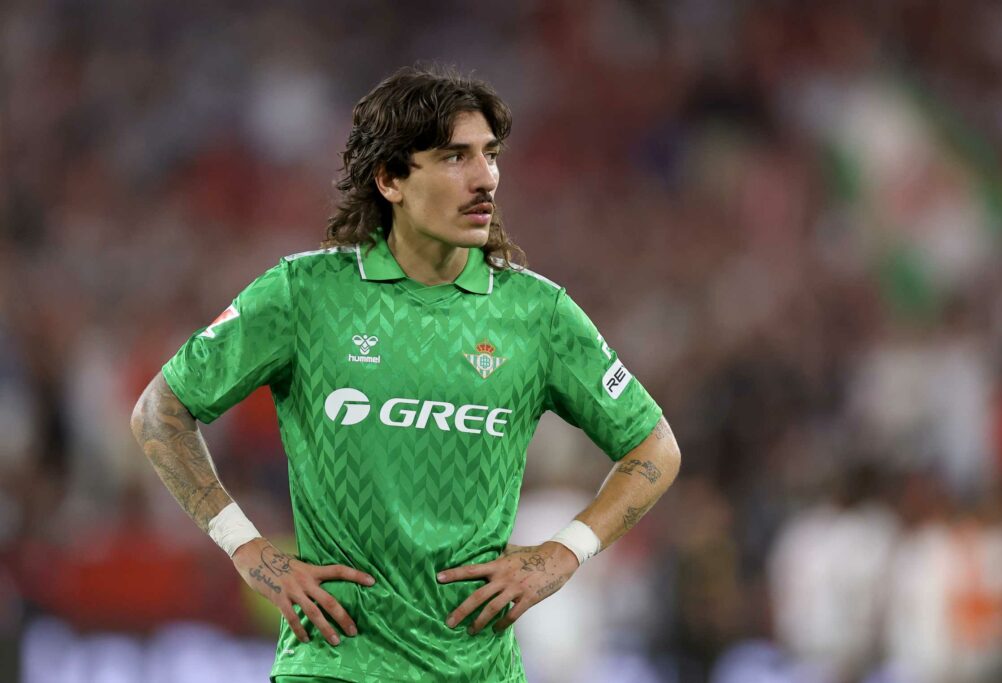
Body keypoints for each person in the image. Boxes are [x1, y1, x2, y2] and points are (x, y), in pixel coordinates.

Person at [130, 65, 680, 683]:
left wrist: (564, 553)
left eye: (490, 155)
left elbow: (654, 446)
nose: (485, 178)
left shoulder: (538, 314)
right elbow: (160, 411)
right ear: (390, 179)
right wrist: (247, 548)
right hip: (335, 664)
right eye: (454, 157)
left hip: (478, 669)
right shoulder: (303, 295)